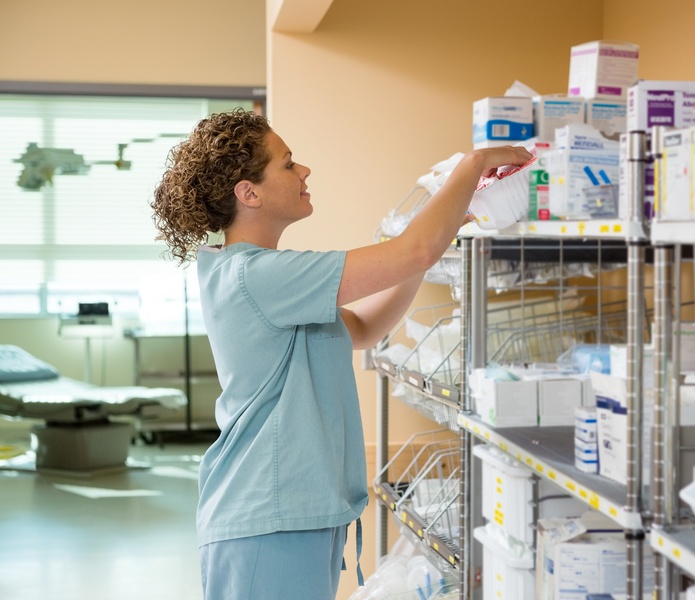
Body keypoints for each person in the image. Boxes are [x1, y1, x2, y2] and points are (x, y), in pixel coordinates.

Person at [150, 108, 532, 600]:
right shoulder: (258, 276)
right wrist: (473, 165)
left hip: (295, 513)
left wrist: (442, 230)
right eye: (288, 165)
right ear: (250, 193)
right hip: (268, 516)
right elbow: (411, 251)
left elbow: (363, 326)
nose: (303, 171)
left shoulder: (256, 276)